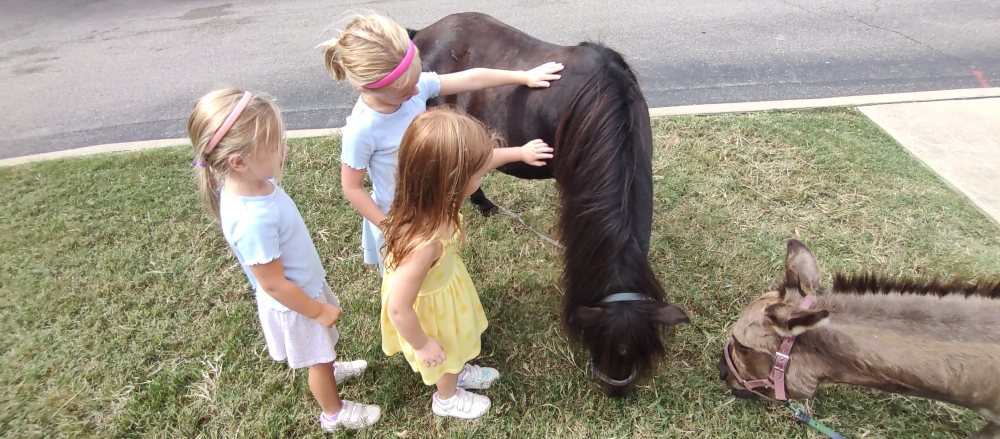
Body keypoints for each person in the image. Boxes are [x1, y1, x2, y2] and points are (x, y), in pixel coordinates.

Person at [188, 89, 380, 431]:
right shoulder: (252, 219)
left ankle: (330, 368)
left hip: (304, 289)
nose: (284, 149)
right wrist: (316, 311)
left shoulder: (252, 186)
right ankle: (334, 413)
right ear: (238, 162)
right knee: (317, 359)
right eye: (275, 145)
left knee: (324, 350)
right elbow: (273, 284)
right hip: (296, 304)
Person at [318, 13, 563, 274]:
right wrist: (390, 227)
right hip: (401, 219)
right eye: (405, 91)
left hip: (432, 203)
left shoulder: (414, 86)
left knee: (439, 269)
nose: (417, 91)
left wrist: (523, 76)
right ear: (368, 88)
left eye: (417, 79)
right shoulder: (362, 129)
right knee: (408, 278)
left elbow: (471, 79)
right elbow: (352, 187)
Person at [380, 107, 552, 419]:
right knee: (445, 352)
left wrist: (520, 152)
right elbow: (398, 308)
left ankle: (457, 369)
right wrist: (422, 344)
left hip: (446, 289)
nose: (484, 174)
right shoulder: (424, 243)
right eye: (478, 173)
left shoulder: (435, 199)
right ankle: (447, 397)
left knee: (454, 348)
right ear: (453, 180)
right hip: (431, 314)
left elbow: (485, 159)